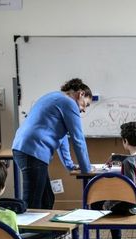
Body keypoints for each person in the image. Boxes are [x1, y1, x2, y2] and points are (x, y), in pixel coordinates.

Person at [12, 78, 94, 209]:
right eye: (86, 104)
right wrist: (86, 170)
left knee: (47, 199)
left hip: (25, 149)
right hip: (33, 151)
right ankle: (26, 230)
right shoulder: (69, 103)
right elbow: (78, 138)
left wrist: (70, 165)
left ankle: (46, 229)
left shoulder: (55, 97)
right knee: (32, 203)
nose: (84, 110)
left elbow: (62, 139)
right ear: (81, 94)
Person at [102, 121, 136, 239]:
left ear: (125, 141)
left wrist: (109, 202)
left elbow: (129, 191)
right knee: (109, 203)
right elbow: (132, 158)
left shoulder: (129, 163)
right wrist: (116, 157)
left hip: (131, 204)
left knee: (103, 206)